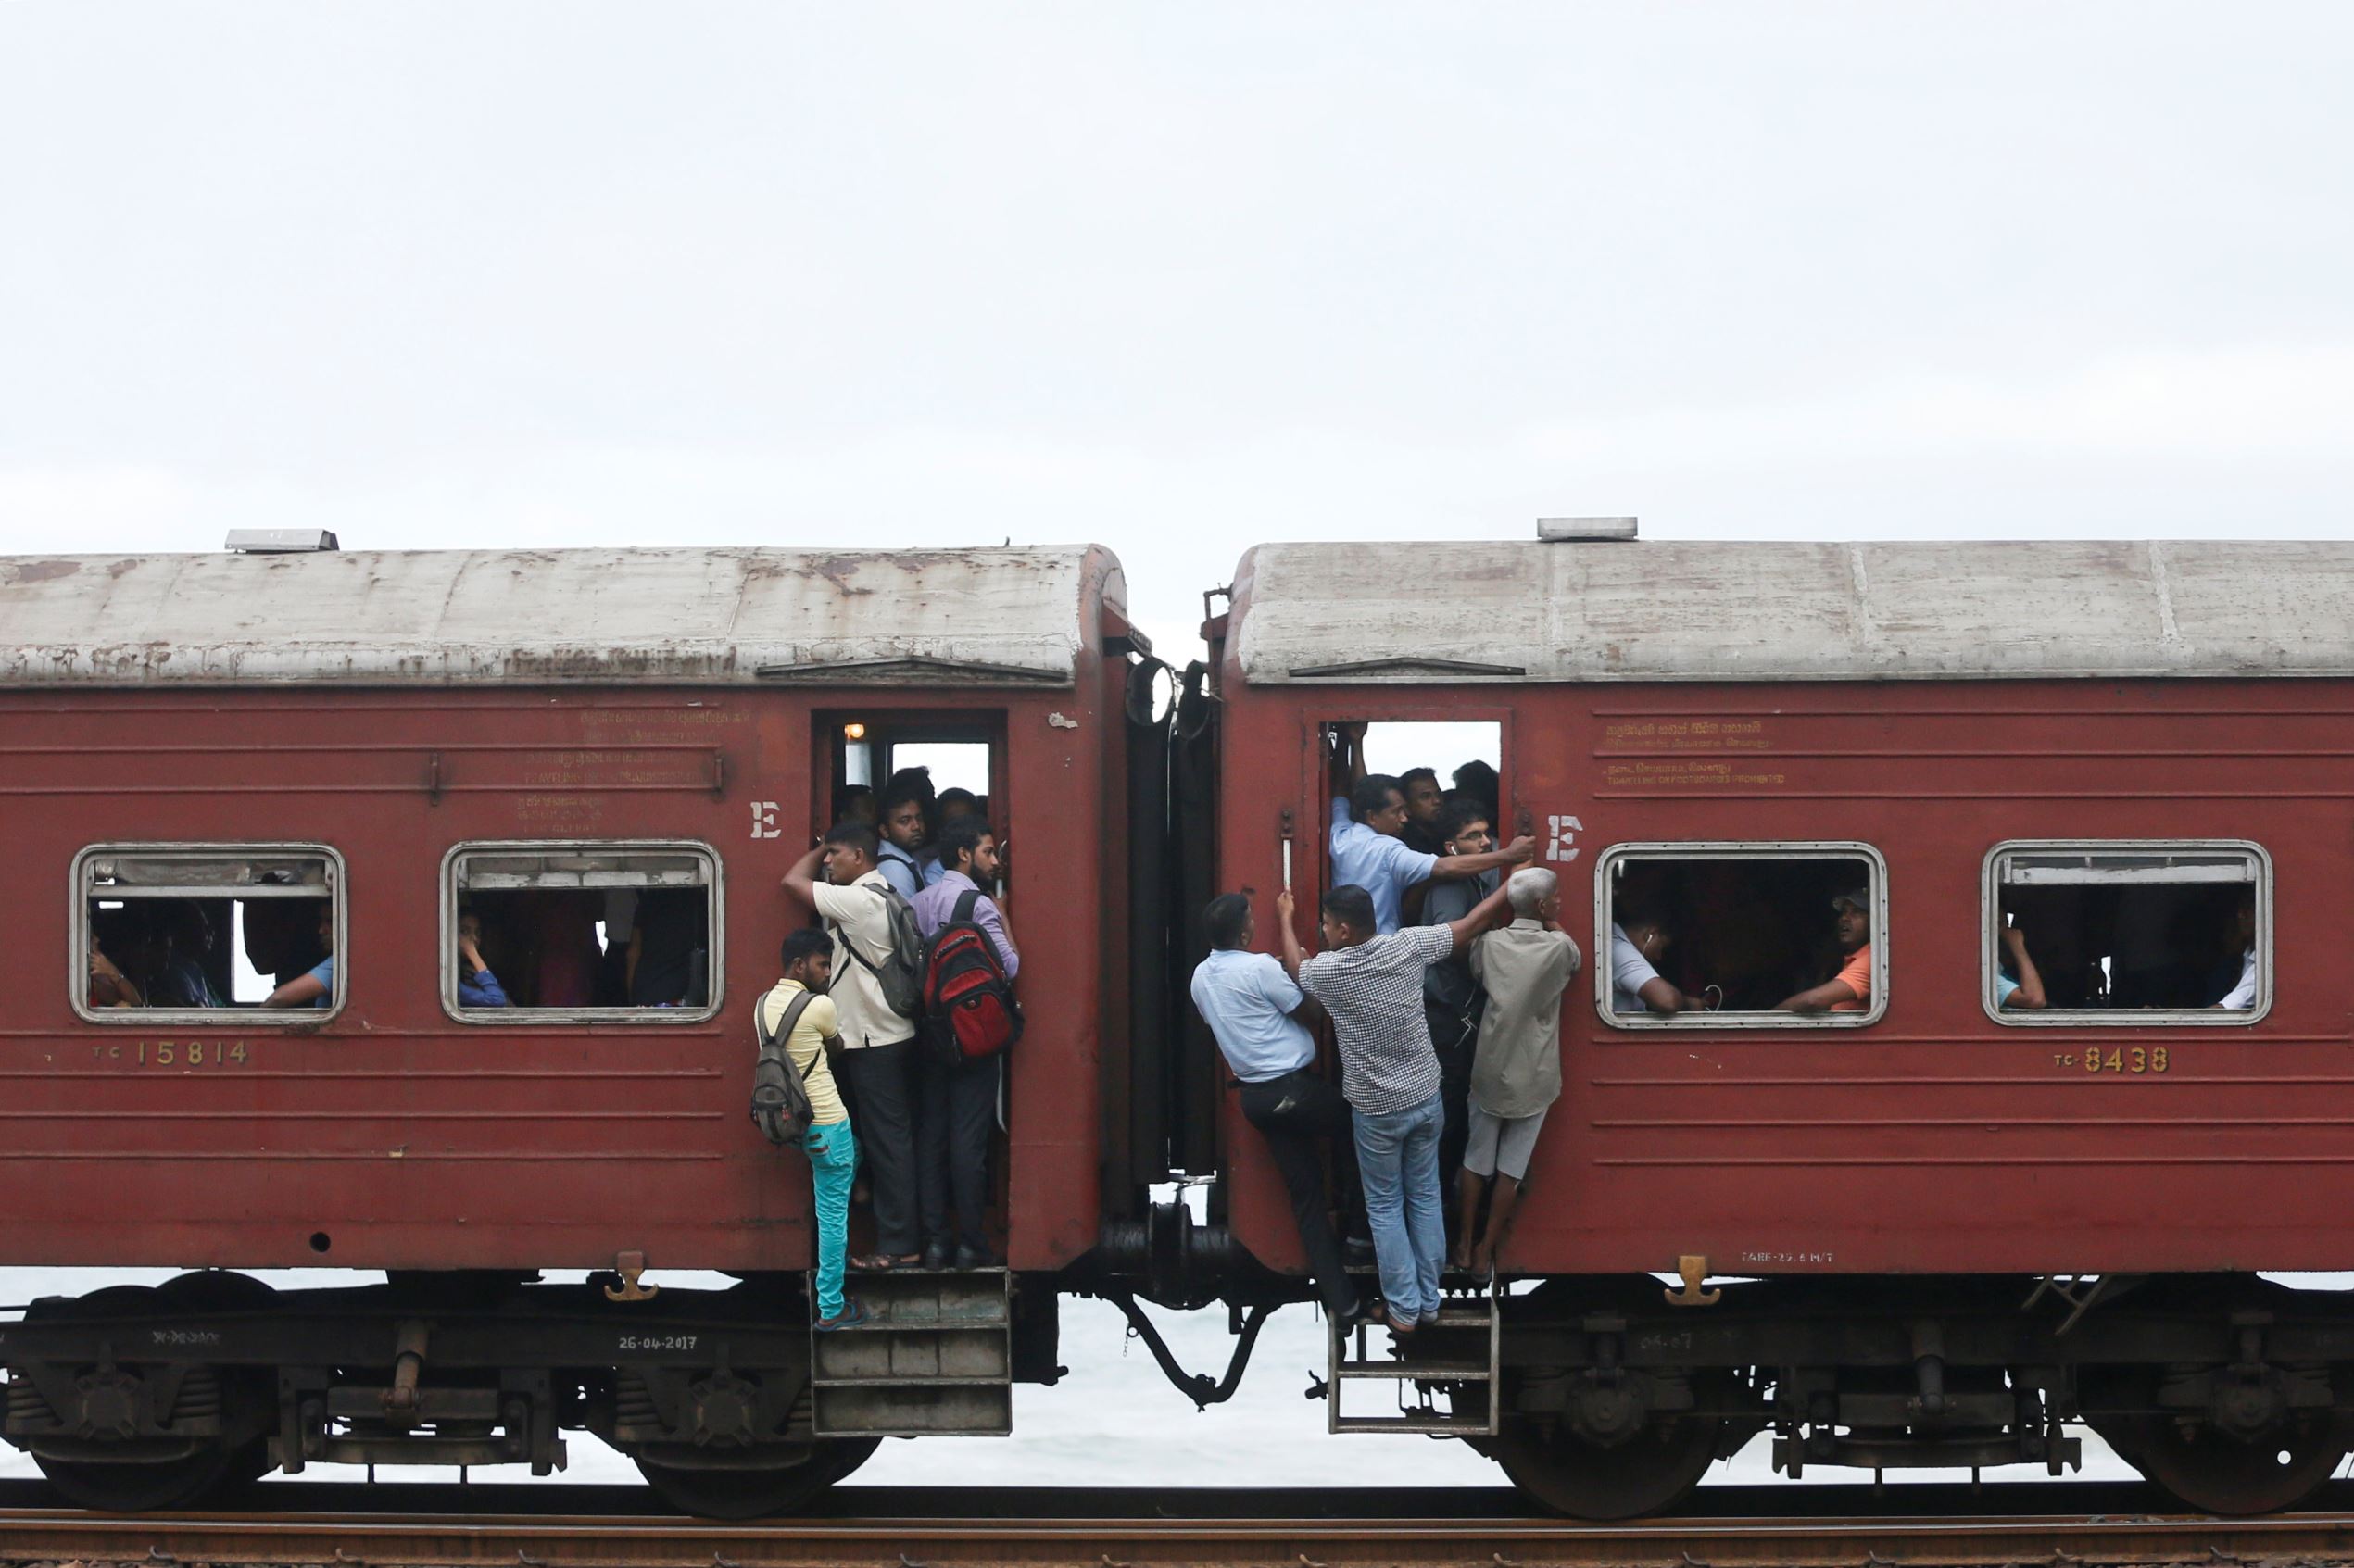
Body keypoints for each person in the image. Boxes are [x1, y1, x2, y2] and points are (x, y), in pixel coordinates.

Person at [1281, 878, 1516, 1335]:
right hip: (1426, 1096)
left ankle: (1405, 1310)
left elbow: (1295, 967)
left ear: (1345, 930)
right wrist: (1512, 883)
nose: (1324, 932)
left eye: (1327, 925)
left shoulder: (1331, 970)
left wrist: (1284, 920)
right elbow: (1468, 925)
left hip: (1376, 1110)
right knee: (1426, 1197)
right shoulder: (1408, 945)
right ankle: (1428, 1301)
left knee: (1386, 1207)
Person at [1191, 888, 1364, 1327]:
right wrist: (1302, 969)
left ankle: (1343, 1305)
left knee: (1305, 1200)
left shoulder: (1199, 978)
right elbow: (1313, 1014)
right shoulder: (1260, 967)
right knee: (1367, 1128)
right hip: (1294, 1090)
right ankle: (1362, 1233)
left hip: (1257, 1099)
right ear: (1246, 929)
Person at [784, 822, 923, 1269]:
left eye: (835, 854)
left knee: (888, 1142)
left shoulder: (861, 901)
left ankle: (900, 1244)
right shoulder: (878, 895)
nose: (827, 861)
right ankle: (882, 1219)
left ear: (859, 857)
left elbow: (791, 882)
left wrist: (818, 842)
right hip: (880, 1035)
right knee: (882, 1136)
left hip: (872, 1040)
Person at [1457, 869, 1580, 1275]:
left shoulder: (1488, 944)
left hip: (1491, 1065)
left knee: (1476, 1161)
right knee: (1511, 1169)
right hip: (1535, 1072)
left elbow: (1476, 970)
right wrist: (1550, 921)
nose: (1560, 902)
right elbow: (1574, 957)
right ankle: (1485, 1250)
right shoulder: (1560, 948)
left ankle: (1462, 1241)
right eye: (1555, 898)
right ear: (1544, 907)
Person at [910, 816, 1018, 1269]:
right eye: (989, 852)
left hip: (931, 1036)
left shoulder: (918, 902)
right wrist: (1005, 916)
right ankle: (972, 1242)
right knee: (968, 1144)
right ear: (963, 855)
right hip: (973, 1037)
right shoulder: (979, 904)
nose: (994, 861)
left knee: (931, 1138)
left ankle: (935, 1242)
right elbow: (1009, 968)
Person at [1327, 723, 1531, 935]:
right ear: (1371, 816)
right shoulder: (1389, 850)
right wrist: (1509, 856)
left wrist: (1347, 742)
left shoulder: (1341, 833)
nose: (1404, 818)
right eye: (1397, 812)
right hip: (1383, 949)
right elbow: (1445, 868)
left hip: (1344, 943)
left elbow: (1351, 792)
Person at [763, 928, 866, 1329]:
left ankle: (858, 1183)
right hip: (828, 1121)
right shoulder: (819, 1006)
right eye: (823, 964)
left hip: (794, 1124)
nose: (826, 973)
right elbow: (836, 1046)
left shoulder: (762, 1006)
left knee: (853, 1156)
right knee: (832, 1217)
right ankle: (831, 1308)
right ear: (799, 965)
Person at [1416, 799, 1500, 1215]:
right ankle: (1440, 1204)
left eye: (1486, 833)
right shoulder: (1451, 887)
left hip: (1460, 1010)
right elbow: (1451, 943)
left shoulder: (1478, 877)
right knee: (1449, 1115)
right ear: (1452, 848)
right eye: (1474, 837)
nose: (1486, 842)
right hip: (1446, 1013)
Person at [1776, 888, 1873, 1014]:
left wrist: (1766, 1023)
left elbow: (1812, 1001)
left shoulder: (1872, 959)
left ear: (1874, 920)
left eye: (1856, 912)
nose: (1844, 918)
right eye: (1844, 912)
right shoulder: (1844, 958)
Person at [1609, 914, 1706, 1015]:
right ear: (1651, 934)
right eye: (1661, 946)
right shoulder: (1620, 950)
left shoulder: (1612, 940)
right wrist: (1690, 1004)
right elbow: (1668, 1002)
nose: (1658, 957)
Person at [877, 777, 944, 901]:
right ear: (885, 831)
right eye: (904, 821)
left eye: (918, 818)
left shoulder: (905, 859)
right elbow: (906, 920)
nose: (916, 826)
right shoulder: (895, 870)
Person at [262, 904, 335, 1009]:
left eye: (330, 921)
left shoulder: (336, 964)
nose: (321, 930)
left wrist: (251, 1024)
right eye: (321, 921)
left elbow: (278, 998)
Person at [456, 909, 512, 1008]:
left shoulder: (470, 970)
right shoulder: (449, 979)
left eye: (477, 933)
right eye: (464, 931)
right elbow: (496, 999)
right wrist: (472, 953)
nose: (474, 938)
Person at [2214, 891, 2259, 1010]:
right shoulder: (2239, 960)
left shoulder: (2267, 964)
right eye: (2238, 912)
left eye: (2247, 910)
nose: (2240, 916)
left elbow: (2231, 1004)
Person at [1996, 920, 2047, 1010]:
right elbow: (2035, 1000)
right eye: (2000, 925)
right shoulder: (1988, 977)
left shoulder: (2001, 969)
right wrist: (2016, 945)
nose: (2008, 931)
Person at [1398, 768, 1447, 856]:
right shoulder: (1405, 846)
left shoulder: (1447, 831)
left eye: (1438, 794)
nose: (1437, 801)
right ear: (1407, 807)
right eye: (1425, 797)